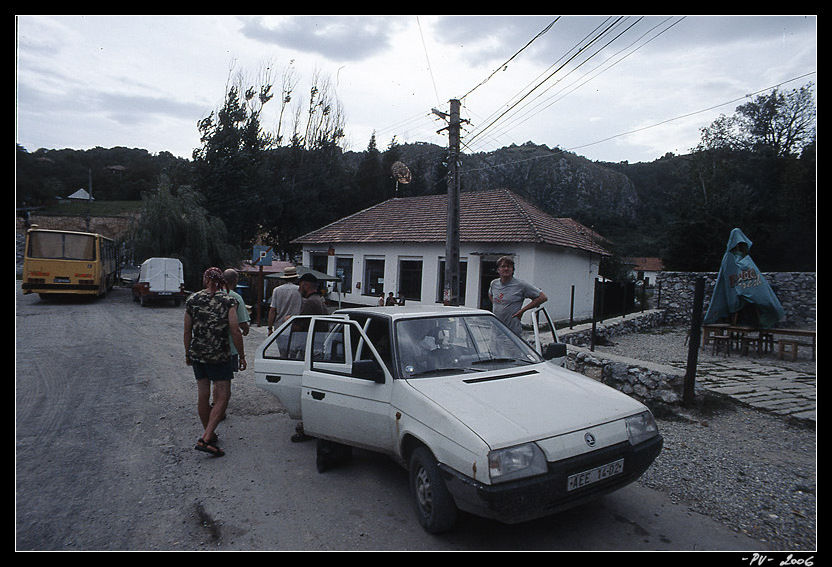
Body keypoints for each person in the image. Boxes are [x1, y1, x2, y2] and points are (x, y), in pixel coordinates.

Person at [184, 267, 246, 458]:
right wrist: (242, 355)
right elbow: (235, 330)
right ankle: (206, 438)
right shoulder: (228, 301)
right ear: (220, 282)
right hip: (220, 356)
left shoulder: (192, 300)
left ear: (205, 280)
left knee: (203, 395)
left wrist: (187, 353)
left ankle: (209, 435)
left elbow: (187, 330)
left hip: (198, 355)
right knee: (223, 396)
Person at [291, 272, 328, 443]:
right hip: (318, 348)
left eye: (300, 285)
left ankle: (307, 426)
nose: (299, 288)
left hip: (310, 350)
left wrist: (291, 321)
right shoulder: (319, 300)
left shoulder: (310, 302)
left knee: (306, 389)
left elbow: (299, 327)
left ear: (305, 285)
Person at [488, 256, 548, 336]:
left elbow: (543, 297)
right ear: (498, 270)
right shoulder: (494, 283)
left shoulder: (521, 285)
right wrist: (498, 304)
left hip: (512, 332)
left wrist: (522, 311)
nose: (506, 269)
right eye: (503, 266)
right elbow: (490, 294)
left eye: (509, 266)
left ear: (513, 270)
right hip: (496, 331)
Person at [267, 266, 302, 335]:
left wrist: (270, 328)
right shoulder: (300, 290)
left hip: (280, 326)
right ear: (296, 278)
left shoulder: (277, 290)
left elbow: (273, 310)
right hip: (296, 325)